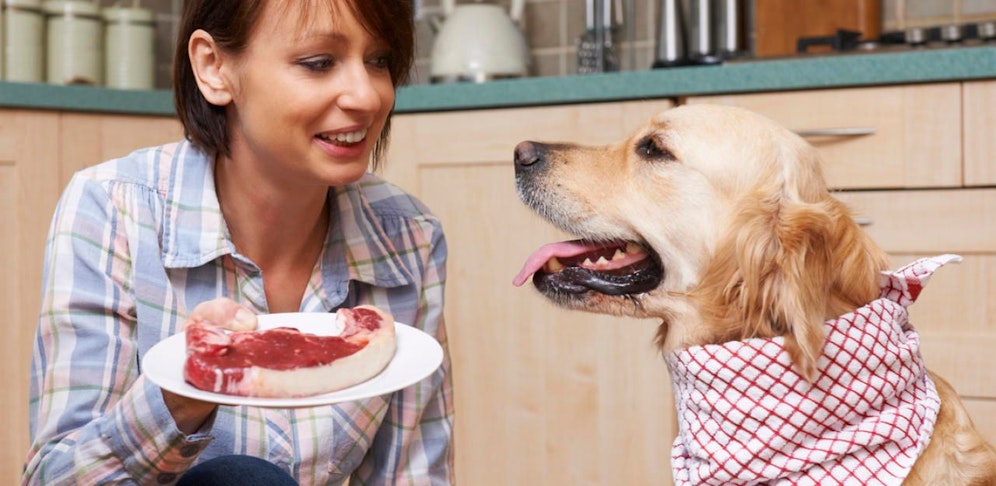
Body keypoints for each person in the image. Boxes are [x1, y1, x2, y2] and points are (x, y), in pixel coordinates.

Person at [22, 0, 453, 484]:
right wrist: (181, 398)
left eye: (378, 61)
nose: (367, 96)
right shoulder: (114, 208)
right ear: (214, 67)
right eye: (319, 63)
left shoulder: (409, 235)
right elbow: (54, 476)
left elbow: (412, 474)